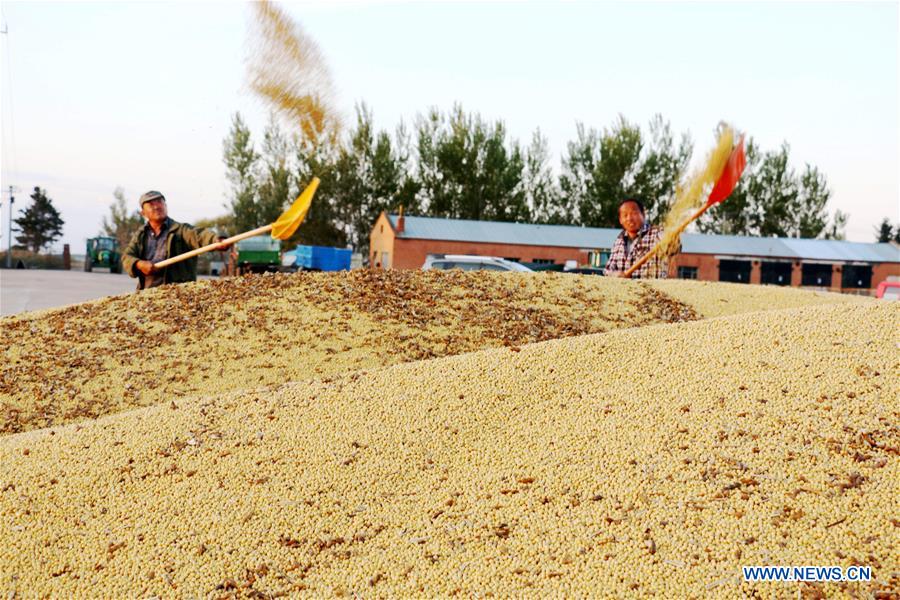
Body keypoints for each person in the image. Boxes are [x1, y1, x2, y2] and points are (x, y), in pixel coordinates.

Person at [122, 191, 231, 291]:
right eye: (151, 204)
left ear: (165, 206)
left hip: (178, 294)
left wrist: (216, 240)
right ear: (143, 213)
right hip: (147, 294)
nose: (156, 207)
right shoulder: (141, 235)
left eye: (159, 202)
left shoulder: (181, 231)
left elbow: (200, 235)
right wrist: (139, 264)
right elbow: (127, 256)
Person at [603, 198, 670, 279]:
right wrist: (614, 274)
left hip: (652, 290)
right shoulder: (619, 240)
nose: (629, 218)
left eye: (634, 213)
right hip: (626, 290)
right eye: (625, 215)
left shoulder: (657, 233)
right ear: (620, 220)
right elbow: (607, 269)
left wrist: (670, 239)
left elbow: (672, 248)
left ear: (643, 215)